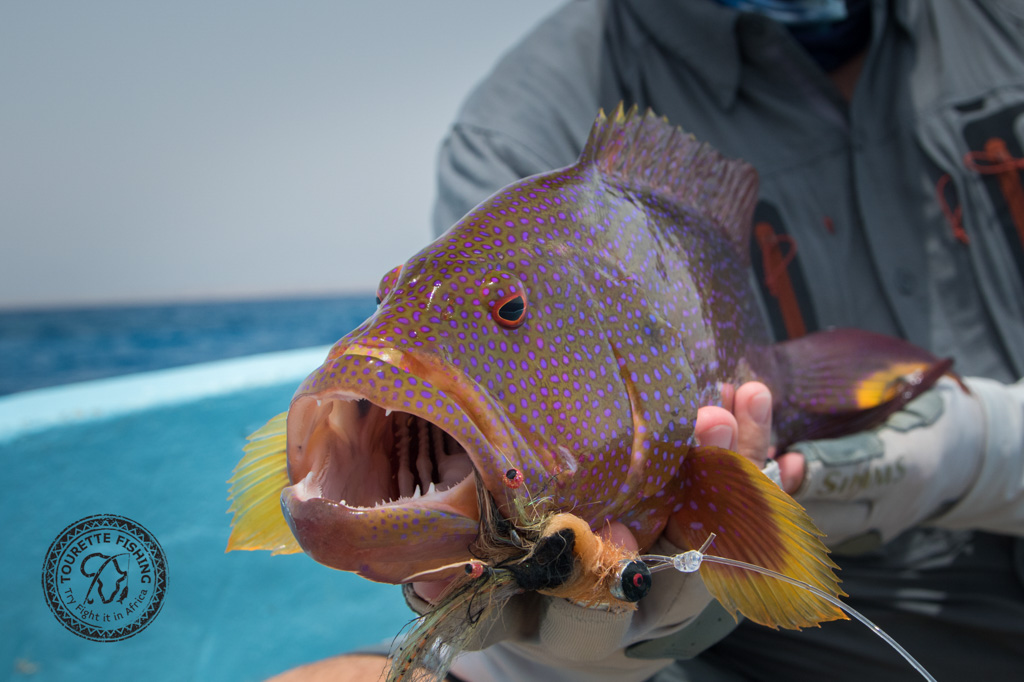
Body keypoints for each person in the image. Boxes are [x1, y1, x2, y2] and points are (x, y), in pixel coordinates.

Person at [272, 1, 1024, 680]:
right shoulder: (517, 128)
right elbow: (768, 579)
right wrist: (611, 645)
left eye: (509, 311)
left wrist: (980, 450)